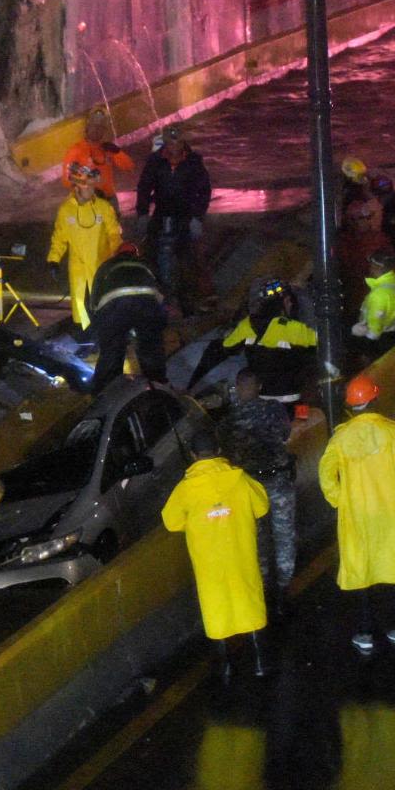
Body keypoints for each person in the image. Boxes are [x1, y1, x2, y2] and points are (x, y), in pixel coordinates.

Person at [320, 373, 395, 656]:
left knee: (361, 570)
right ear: (375, 400)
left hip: (357, 516)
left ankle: (365, 633)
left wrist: (339, 499)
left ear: (351, 406)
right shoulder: (394, 432)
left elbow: (325, 472)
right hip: (392, 513)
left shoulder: (341, 438)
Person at [162, 430, 271, 681]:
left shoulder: (186, 489)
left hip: (209, 563)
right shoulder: (240, 479)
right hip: (241, 555)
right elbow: (262, 505)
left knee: (216, 609)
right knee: (250, 604)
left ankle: (225, 667)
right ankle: (260, 662)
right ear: (219, 451)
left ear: (192, 455)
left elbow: (171, 522)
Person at [217, 368, 298, 598]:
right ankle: (284, 587)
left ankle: (261, 587)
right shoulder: (274, 410)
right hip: (278, 481)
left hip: (249, 487)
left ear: (237, 387)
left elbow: (226, 452)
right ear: (259, 387)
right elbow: (284, 434)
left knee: (256, 537)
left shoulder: (228, 421)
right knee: (284, 535)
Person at [135, 125, 213, 312]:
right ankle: (161, 299)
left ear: (183, 141)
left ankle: (189, 301)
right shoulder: (155, 161)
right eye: (170, 142)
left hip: (185, 216)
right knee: (154, 256)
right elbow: (144, 188)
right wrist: (143, 214)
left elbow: (204, 191)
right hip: (161, 214)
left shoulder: (194, 162)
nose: (173, 146)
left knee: (188, 258)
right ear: (165, 142)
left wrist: (197, 217)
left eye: (177, 141)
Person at [47, 163, 123, 334]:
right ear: (77, 187)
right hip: (78, 267)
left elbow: (113, 234)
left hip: (101, 265)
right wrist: (54, 259)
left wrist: (118, 255)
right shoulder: (66, 210)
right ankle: (86, 336)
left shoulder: (103, 207)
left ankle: (106, 333)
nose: (90, 190)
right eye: (86, 186)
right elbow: (60, 237)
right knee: (82, 304)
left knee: (103, 302)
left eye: (91, 186)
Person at [221, 279, 318, 408]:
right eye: (288, 301)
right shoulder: (292, 328)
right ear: (282, 303)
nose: (290, 305)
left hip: (260, 400)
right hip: (290, 401)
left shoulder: (247, 324)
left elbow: (227, 346)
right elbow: (321, 342)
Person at [87, 243, 168, 392]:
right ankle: (158, 387)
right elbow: (164, 291)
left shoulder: (107, 265)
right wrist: (160, 323)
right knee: (150, 349)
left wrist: (99, 326)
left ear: (117, 254)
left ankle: (105, 391)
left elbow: (92, 298)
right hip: (147, 304)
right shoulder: (146, 263)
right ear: (136, 254)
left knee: (112, 351)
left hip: (114, 306)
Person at [63, 109, 135, 204]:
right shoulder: (76, 150)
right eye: (94, 127)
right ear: (87, 128)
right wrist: (88, 185)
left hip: (109, 199)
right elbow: (67, 179)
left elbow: (129, 166)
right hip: (88, 201)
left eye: (101, 128)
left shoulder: (107, 149)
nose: (97, 130)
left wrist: (117, 152)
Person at [351, 249, 395, 352]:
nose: (369, 266)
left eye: (371, 264)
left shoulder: (378, 294)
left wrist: (365, 348)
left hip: (382, 343)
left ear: (377, 267)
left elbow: (374, 331)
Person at [340, 197, 391, 316]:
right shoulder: (345, 241)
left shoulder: (379, 240)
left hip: (372, 295)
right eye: (355, 219)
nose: (360, 222)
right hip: (353, 297)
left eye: (364, 218)